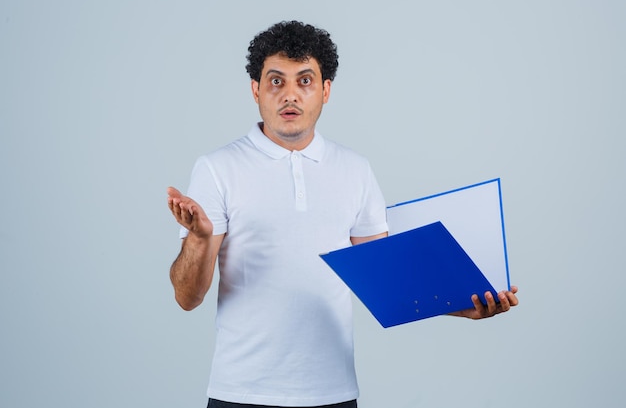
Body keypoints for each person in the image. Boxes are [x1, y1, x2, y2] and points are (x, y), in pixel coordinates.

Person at [167, 20, 519, 408]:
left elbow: (390, 281)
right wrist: (199, 240)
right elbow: (187, 297)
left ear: (325, 90)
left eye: (304, 81)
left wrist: (463, 305)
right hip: (242, 392)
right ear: (256, 90)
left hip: (333, 393)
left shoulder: (355, 169)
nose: (290, 96)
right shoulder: (217, 168)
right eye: (276, 81)